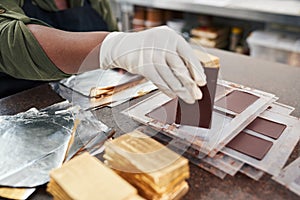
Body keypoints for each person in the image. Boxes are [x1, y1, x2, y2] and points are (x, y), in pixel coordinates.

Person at [0, 0, 206, 104]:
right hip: (17, 115)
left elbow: (110, 33)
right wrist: (113, 46)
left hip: (87, 107)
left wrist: (134, 57)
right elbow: (11, 41)